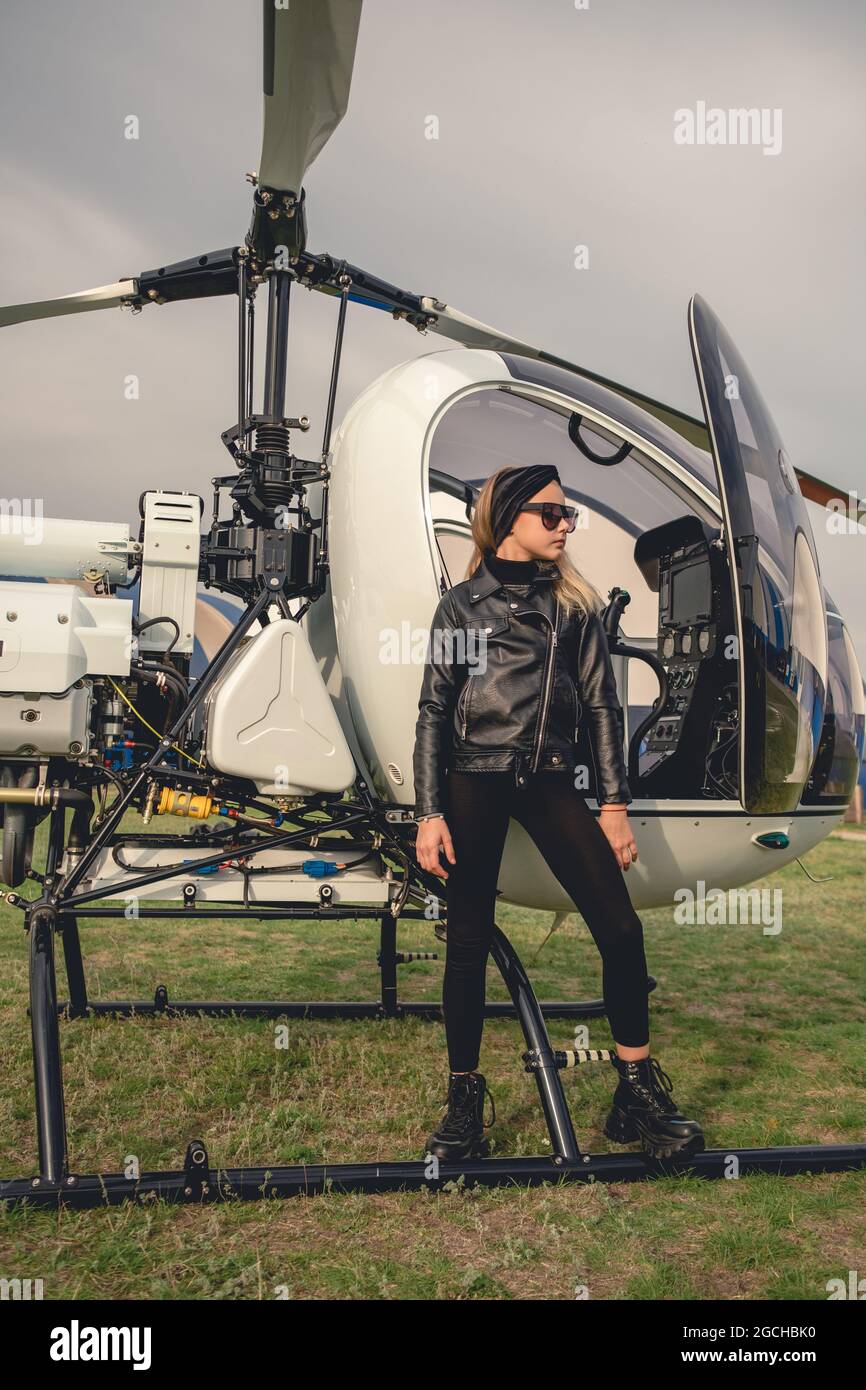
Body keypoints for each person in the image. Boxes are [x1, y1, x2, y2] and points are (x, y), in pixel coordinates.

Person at [412, 463, 704, 1163]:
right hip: (472, 781)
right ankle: (463, 1104)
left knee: (621, 928)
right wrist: (429, 811)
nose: (566, 524)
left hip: (548, 782)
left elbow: (604, 705)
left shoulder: (575, 606)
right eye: (553, 513)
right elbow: (432, 710)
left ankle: (635, 1093)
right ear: (509, 516)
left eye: (567, 513)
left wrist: (613, 804)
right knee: (467, 941)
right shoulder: (460, 607)